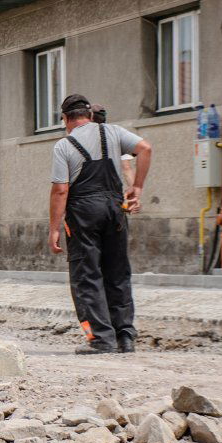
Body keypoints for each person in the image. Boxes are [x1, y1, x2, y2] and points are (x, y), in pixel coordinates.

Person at [48, 95, 152, 354]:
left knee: (87, 275)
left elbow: (61, 190)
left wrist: (54, 228)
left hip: (82, 213)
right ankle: (125, 337)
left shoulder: (64, 145)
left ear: (65, 118)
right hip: (114, 209)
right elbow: (146, 149)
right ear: (90, 115)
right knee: (117, 272)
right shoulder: (113, 132)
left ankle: (101, 339)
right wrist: (137, 187)